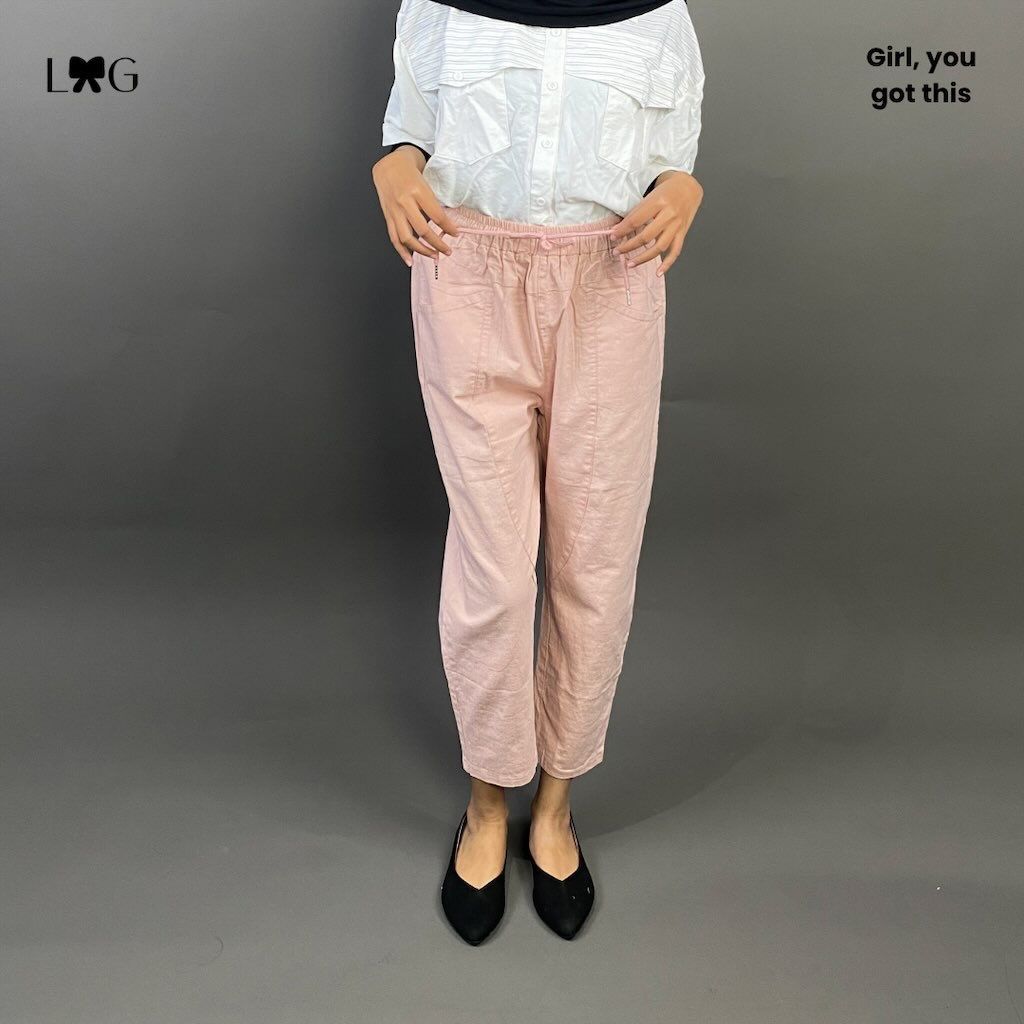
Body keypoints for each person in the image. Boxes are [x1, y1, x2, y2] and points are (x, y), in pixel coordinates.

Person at [371, 0, 704, 944]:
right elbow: (409, 127)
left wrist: (686, 188)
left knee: (594, 561)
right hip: (468, 273)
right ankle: (488, 802)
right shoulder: (435, 4)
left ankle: (554, 806)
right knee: (493, 567)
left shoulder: (662, 14)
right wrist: (394, 161)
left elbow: (674, 158)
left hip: (611, 283)